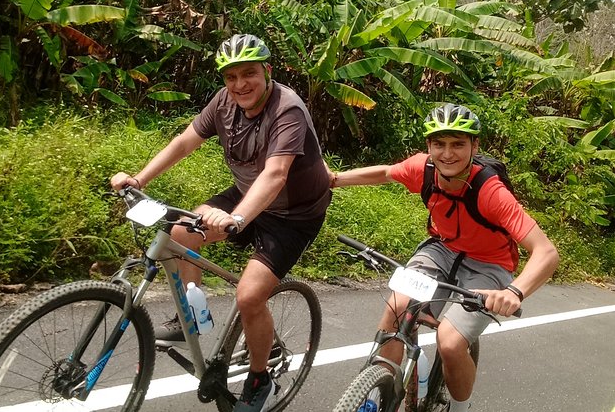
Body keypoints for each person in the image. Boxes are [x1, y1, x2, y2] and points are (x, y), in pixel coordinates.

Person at [111, 34, 331, 412]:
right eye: (231, 76)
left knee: (249, 295)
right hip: (246, 192)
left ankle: (260, 381)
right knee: (180, 233)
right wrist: (139, 179)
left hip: (294, 213)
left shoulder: (287, 109)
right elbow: (185, 142)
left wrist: (238, 217)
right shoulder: (224, 102)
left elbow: (276, 174)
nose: (240, 84)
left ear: (268, 72)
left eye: (249, 74)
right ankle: (193, 320)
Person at [329, 104, 559, 412]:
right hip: (441, 250)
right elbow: (385, 173)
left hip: (489, 266)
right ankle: (373, 397)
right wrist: (334, 179)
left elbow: (546, 252)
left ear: (474, 146)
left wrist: (513, 292)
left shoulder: (490, 191)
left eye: (458, 144)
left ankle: (459, 408)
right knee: (397, 309)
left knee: (450, 342)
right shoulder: (422, 169)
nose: (447, 154)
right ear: (429, 146)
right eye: (439, 144)